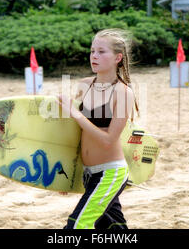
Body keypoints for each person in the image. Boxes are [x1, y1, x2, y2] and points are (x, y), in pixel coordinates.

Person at [57, 28, 139, 229]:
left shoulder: (123, 93)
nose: (94, 56)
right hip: (88, 173)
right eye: (92, 51)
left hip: (110, 173)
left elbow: (108, 140)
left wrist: (74, 113)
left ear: (118, 58)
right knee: (112, 228)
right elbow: (75, 134)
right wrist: (68, 175)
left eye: (101, 52)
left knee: (77, 226)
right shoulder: (84, 85)